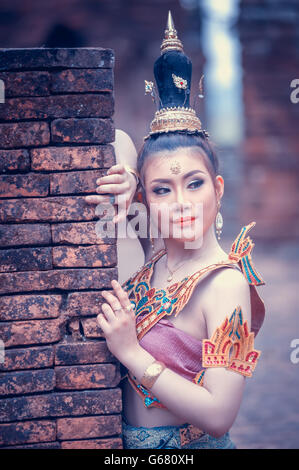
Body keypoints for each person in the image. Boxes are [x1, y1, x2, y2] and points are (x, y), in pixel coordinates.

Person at [85, 12, 266, 449]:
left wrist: (131, 352)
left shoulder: (225, 284)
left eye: (195, 183)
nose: (181, 202)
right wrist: (128, 174)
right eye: (162, 189)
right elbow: (118, 141)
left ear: (218, 190)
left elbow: (219, 416)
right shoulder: (154, 260)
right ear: (145, 198)